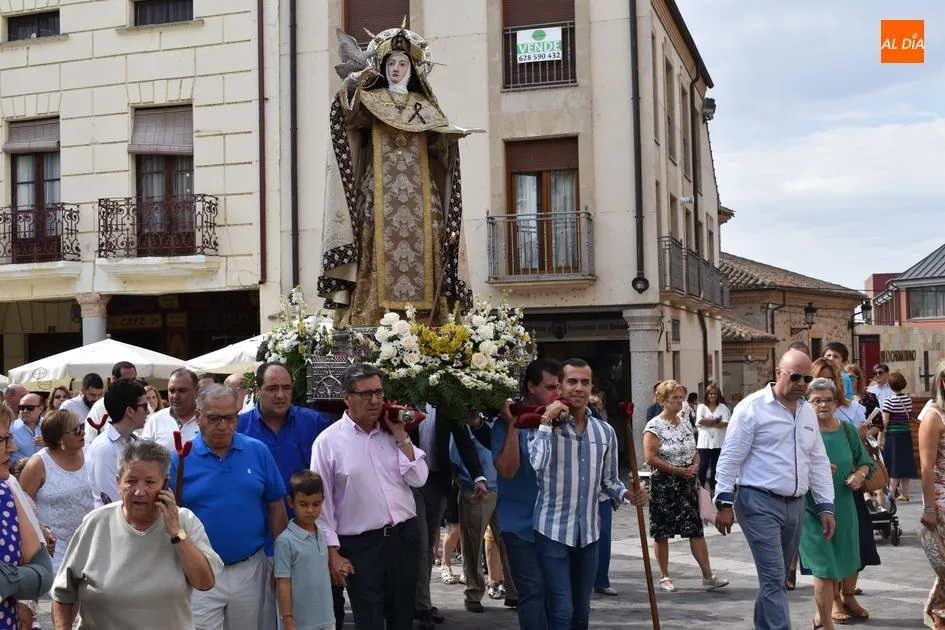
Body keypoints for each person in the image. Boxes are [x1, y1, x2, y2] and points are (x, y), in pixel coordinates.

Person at [318, 27, 475, 327]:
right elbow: (346, 117)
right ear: (383, 66)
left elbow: (438, 149)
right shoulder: (371, 100)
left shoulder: (426, 107)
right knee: (375, 243)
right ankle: (371, 316)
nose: (396, 69)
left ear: (412, 69)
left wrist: (451, 140)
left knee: (428, 241)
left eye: (402, 63)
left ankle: (429, 319)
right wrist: (353, 82)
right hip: (377, 196)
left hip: (421, 200)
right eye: (391, 63)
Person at [714, 349, 836, 630]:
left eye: (807, 378)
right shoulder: (752, 407)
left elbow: (817, 460)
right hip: (758, 502)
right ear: (779, 373)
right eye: (795, 377)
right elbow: (730, 457)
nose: (802, 384)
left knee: (776, 579)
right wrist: (724, 503)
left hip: (796, 505)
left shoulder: (807, 411)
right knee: (773, 578)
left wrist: (826, 506)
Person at [529, 359, 648, 630]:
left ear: (592, 387)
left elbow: (609, 481)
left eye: (585, 382)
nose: (579, 388)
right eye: (572, 381)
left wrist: (628, 495)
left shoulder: (605, 432)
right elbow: (537, 464)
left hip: (589, 534)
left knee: (582, 613)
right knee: (561, 611)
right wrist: (546, 420)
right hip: (552, 531)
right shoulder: (541, 426)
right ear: (560, 387)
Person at [52, 440, 221, 629]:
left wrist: (177, 533)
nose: (139, 492)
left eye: (150, 482)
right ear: (118, 483)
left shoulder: (185, 521)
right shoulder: (95, 523)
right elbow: (63, 594)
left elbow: (204, 582)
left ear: (165, 485)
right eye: (131, 482)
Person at [311, 363, 428, 630]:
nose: (375, 400)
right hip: (361, 546)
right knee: (369, 620)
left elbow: (419, 478)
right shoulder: (327, 443)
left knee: (402, 617)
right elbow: (322, 504)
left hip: (403, 538)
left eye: (378, 392)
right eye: (365, 394)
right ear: (347, 397)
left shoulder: (392, 431)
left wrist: (400, 434)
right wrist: (332, 552)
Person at [171, 384, 288, 630]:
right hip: (200, 571)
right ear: (198, 417)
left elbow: (276, 506)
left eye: (230, 418)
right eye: (214, 418)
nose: (223, 426)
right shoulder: (179, 460)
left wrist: (281, 561)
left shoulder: (257, 451)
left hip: (250, 569)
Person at [798, 378, 874, 629]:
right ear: (807, 404)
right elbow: (786, 465)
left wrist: (859, 474)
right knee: (823, 565)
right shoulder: (800, 430)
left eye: (828, 400)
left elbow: (865, 462)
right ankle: (825, 616)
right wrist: (813, 468)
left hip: (844, 504)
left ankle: (827, 613)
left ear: (836, 402)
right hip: (811, 508)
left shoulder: (846, 429)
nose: (823, 405)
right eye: (816, 401)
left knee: (845, 558)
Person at [409, 401, 489, 626]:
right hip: (408, 483)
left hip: (438, 481)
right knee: (420, 543)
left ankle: (420, 601)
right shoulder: (406, 397)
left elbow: (463, 440)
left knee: (426, 545)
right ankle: (421, 606)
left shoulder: (448, 404)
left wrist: (478, 476)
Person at [491, 358, 558, 629]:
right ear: (531, 386)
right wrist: (512, 425)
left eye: (559, 387)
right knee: (532, 589)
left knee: (557, 592)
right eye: (550, 387)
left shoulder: (562, 419)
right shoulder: (506, 422)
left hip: (556, 522)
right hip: (519, 522)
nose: (557, 393)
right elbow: (507, 471)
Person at [644, 380, 728, 592]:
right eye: (674, 398)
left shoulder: (684, 424)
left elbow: (695, 451)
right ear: (662, 401)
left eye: (681, 398)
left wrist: (695, 465)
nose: (679, 402)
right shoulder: (654, 426)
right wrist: (677, 470)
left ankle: (708, 576)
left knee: (695, 529)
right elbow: (650, 457)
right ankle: (664, 576)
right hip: (664, 484)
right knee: (662, 531)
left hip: (688, 483)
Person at [450, 413, 517, 613]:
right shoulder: (467, 420)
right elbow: (455, 456)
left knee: (510, 542)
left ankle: (514, 592)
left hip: (505, 489)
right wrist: (466, 482)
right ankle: (473, 593)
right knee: (472, 544)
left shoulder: (503, 421)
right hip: (477, 489)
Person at [237, 362, 333, 501]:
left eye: (286, 388)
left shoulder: (315, 423)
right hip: (258, 512)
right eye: (272, 388)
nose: (280, 395)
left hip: (306, 514)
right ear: (258, 390)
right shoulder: (238, 428)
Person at [0, 402, 54, 629]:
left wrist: (5, 581)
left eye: (10, 437)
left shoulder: (7, 492)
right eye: (2, 440)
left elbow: (43, 572)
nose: (12, 448)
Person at [19, 409, 93, 573]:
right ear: (59, 437)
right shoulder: (38, 464)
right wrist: (40, 533)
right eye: (76, 430)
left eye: (82, 427)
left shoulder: (91, 453)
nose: (82, 432)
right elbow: (21, 505)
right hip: (54, 550)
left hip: (90, 544)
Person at [275, 470, 335, 630]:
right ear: (291, 502)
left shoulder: (322, 534)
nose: (310, 510)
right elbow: (283, 582)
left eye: (316, 504)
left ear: (323, 501)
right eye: (303, 504)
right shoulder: (284, 541)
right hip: (298, 624)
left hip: (327, 620)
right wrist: (288, 620)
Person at [86, 379, 148, 508]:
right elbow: (114, 502)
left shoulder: (137, 442)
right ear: (130, 411)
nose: (148, 412)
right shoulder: (104, 448)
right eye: (145, 406)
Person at [919, 360, 945, 629]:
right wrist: (929, 507)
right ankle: (939, 611)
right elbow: (926, 467)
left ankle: (938, 610)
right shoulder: (934, 416)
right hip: (942, 496)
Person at [879, 371, 918, 502]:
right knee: (905, 463)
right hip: (906, 434)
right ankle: (905, 494)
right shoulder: (907, 399)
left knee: (894, 464)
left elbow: (885, 422)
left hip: (893, 436)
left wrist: (880, 437)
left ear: (889, 385)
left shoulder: (889, 401)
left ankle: (891, 494)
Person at [143, 368, 200, 453]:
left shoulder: (208, 419)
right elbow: (143, 455)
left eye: (182, 391)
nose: (175, 396)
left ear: (196, 391)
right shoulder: (155, 420)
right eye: (172, 391)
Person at [84, 361, 138, 445]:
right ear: (114, 379)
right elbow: (90, 441)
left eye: (134, 380)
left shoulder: (143, 405)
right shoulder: (99, 408)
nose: (131, 384)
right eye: (127, 380)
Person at [695, 384, 730, 490]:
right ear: (707, 394)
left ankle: (714, 490)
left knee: (716, 467)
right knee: (703, 466)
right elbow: (699, 421)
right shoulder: (701, 407)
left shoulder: (723, 408)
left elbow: (725, 423)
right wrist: (716, 421)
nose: (713, 396)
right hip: (704, 443)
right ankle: (700, 489)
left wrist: (707, 422)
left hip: (718, 442)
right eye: (710, 393)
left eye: (715, 394)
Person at [11, 393, 43, 463]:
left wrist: (49, 443)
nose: (25, 411)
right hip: (21, 469)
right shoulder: (11, 428)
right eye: (22, 407)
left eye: (30, 407)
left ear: (40, 409)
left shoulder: (50, 425)